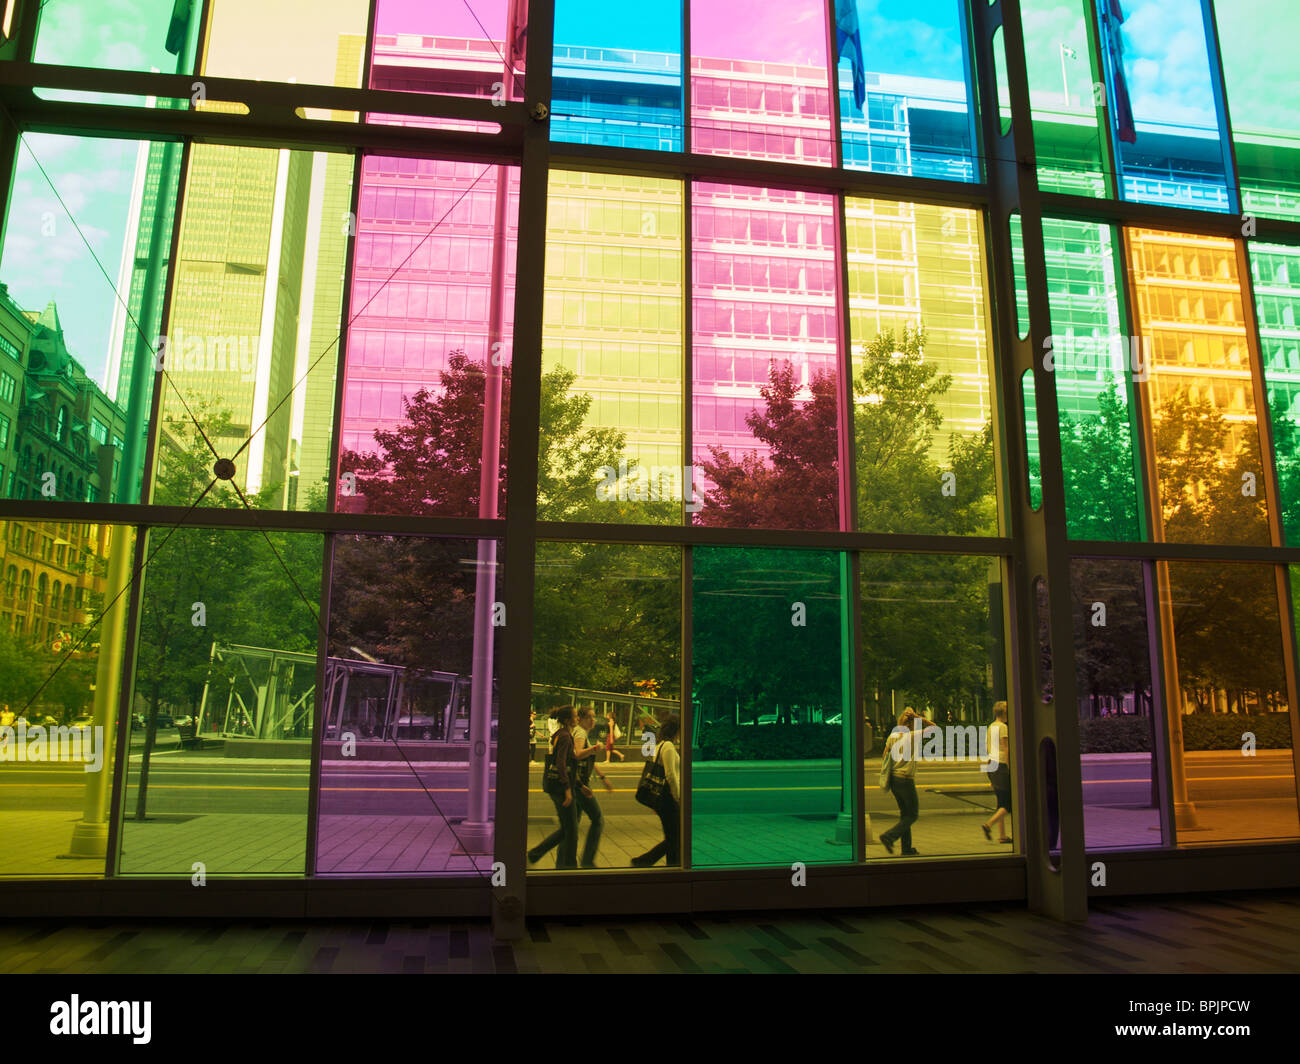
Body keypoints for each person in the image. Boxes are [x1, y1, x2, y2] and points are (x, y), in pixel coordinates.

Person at [527, 706, 584, 869]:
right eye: (575, 716)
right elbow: (562, 763)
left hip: (558, 786)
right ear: (567, 720)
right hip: (561, 788)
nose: (577, 719)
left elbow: (568, 763)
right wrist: (568, 789)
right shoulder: (565, 737)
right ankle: (536, 855)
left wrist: (580, 785)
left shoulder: (560, 735)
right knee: (570, 830)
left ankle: (561, 864)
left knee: (569, 829)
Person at [879, 707, 938, 856]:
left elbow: (884, 755)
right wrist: (920, 718)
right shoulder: (913, 735)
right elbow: (934, 728)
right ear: (912, 724)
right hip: (905, 779)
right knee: (912, 815)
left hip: (893, 779)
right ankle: (889, 836)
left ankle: (906, 849)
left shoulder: (893, 736)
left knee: (905, 815)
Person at [630, 714, 680, 867]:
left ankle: (670, 863)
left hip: (662, 798)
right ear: (676, 730)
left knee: (674, 835)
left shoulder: (660, 745)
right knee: (676, 836)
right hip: (668, 798)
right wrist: (678, 797)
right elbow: (670, 775)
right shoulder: (669, 747)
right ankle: (645, 861)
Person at [572, 706, 613, 867]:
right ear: (581, 719)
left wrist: (603, 777)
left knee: (572, 823)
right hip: (580, 783)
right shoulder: (580, 732)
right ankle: (587, 860)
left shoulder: (581, 732)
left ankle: (565, 860)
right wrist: (595, 748)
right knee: (597, 819)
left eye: (593, 717)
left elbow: (588, 760)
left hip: (578, 782)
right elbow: (578, 754)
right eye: (589, 717)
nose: (593, 720)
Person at [981, 701, 1013, 844]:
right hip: (1000, 765)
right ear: (1004, 713)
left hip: (991, 764)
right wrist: (1010, 767)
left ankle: (1002, 835)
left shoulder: (991, 726)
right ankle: (988, 824)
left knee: (1001, 802)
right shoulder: (1003, 728)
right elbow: (1006, 749)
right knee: (1008, 804)